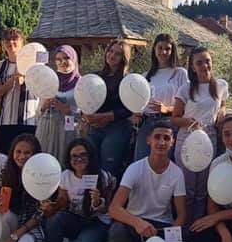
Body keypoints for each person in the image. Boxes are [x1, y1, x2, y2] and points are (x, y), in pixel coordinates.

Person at [108, 120, 187, 242]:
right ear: (148, 140)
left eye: (166, 138)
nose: (161, 142)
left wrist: (170, 239)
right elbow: (114, 208)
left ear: (172, 142)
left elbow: (181, 214)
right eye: (157, 137)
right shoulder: (135, 169)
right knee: (117, 230)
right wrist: (137, 222)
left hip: (161, 226)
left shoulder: (177, 173)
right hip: (135, 223)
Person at [171, 46, 228, 242]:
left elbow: (222, 105)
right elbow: (174, 118)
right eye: (199, 62)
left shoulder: (220, 85)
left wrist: (221, 112)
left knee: (202, 194)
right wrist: (190, 122)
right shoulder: (186, 88)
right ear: (192, 67)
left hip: (209, 142)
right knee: (186, 193)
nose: (204, 65)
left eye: (207, 60)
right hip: (187, 141)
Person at [41, 138, 117, 242]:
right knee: (53, 219)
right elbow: (62, 201)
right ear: (69, 159)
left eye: (83, 155)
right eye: (74, 156)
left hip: (97, 222)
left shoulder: (102, 176)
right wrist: (53, 206)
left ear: (90, 156)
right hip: (76, 219)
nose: (79, 159)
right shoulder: (65, 176)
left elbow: (108, 209)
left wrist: (97, 202)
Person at [0, 134, 46, 242]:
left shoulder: (43, 175)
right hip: (14, 219)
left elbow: (40, 213)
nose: (22, 156)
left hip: (33, 224)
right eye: (18, 152)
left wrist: (16, 235)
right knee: (0, 216)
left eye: (27, 153)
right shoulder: (6, 170)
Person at [82, 40, 133, 179]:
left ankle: (107, 193)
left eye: (118, 54)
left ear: (124, 58)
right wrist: (86, 116)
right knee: (89, 165)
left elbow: (129, 109)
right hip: (94, 128)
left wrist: (106, 116)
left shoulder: (127, 80)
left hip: (117, 129)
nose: (112, 55)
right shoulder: (95, 76)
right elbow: (83, 99)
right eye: (111, 51)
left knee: (108, 169)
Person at [133, 33, 188, 161]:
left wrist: (166, 108)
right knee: (140, 161)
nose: (163, 52)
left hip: (168, 123)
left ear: (172, 51)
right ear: (154, 49)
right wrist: (137, 114)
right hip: (147, 123)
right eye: (160, 48)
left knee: (163, 163)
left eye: (167, 49)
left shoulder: (180, 73)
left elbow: (187, 104)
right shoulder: (145, 76)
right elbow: (139, 102)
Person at [0, 28, 39, 154]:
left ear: (22, 42)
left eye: (15, 39)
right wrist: (9, 84)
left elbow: (44, 90)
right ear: (3, 44)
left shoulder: (35, 65)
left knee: (27, 159)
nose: (11, 42)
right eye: (7, 39)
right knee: (4, 160)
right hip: (5, 123)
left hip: (29, 122)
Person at [36, 45, 81, 164]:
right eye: (58, 59)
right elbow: (38, 111)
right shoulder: (49, 80)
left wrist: (67, 112)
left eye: (66, 58)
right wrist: (44, 106)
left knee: (64, 161)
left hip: (67, 130)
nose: (62, 62)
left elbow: (81, 117)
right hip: (47, 128)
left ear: (74, 59)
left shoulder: (81, 83)